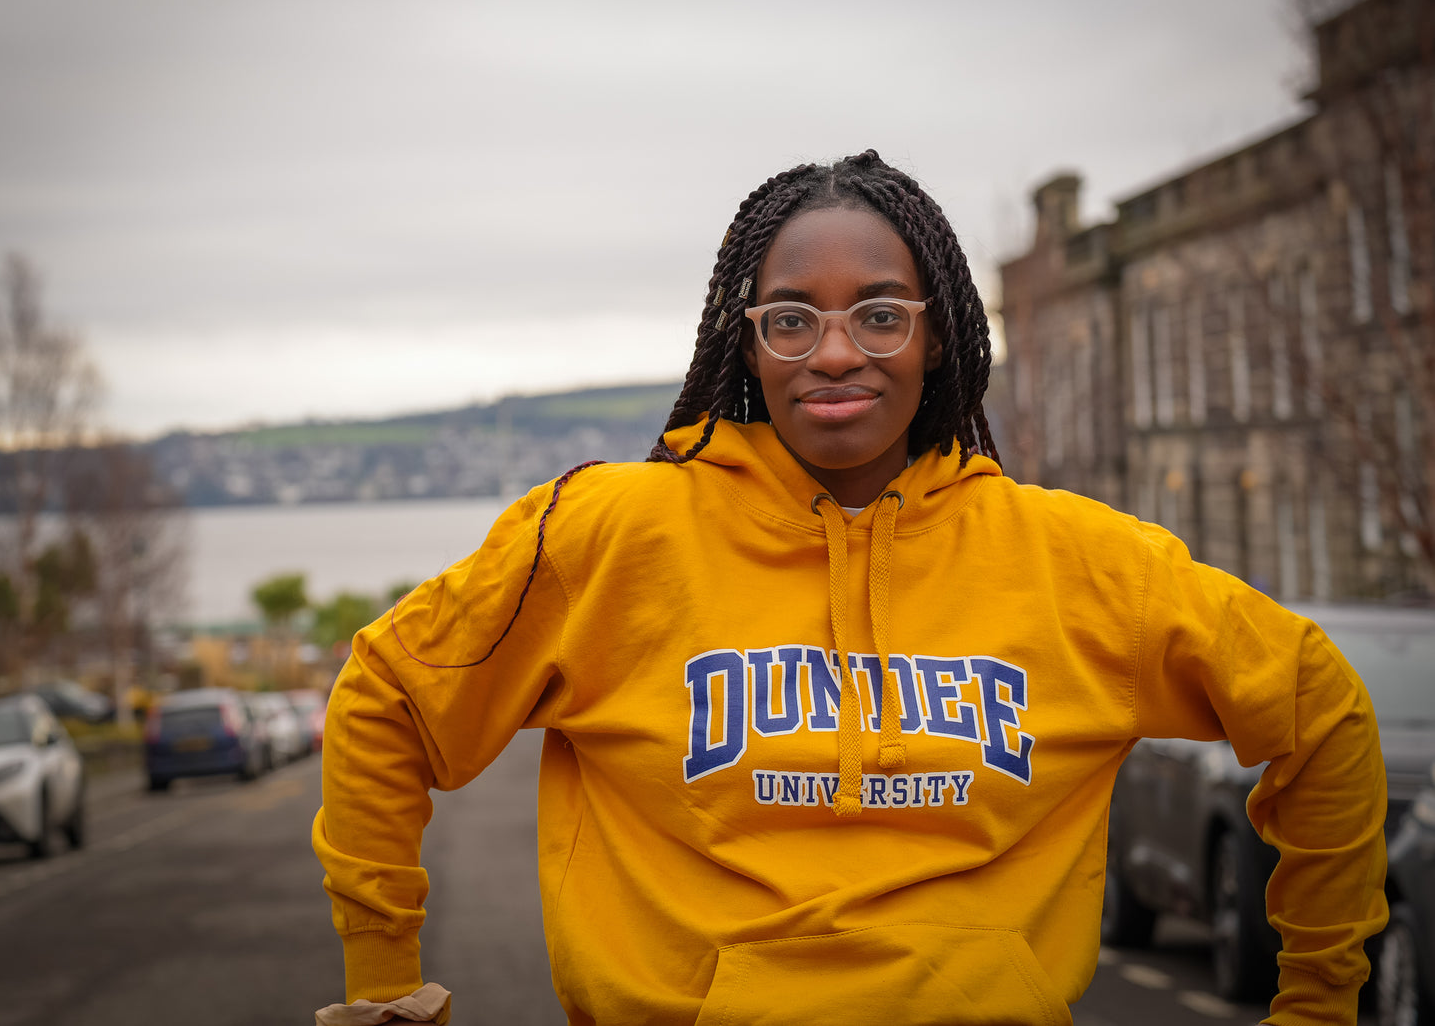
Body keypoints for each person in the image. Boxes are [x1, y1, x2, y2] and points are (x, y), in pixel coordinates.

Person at [313, 150, 1387, 1025]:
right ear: (748, 341)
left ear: (938, 334)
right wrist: (381, 979)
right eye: (791, 317)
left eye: (878, 313)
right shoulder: (607, 534)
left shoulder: (1077, 559)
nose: (833, 351)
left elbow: (1317, 706)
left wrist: (1318, 999)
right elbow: (390, 692)